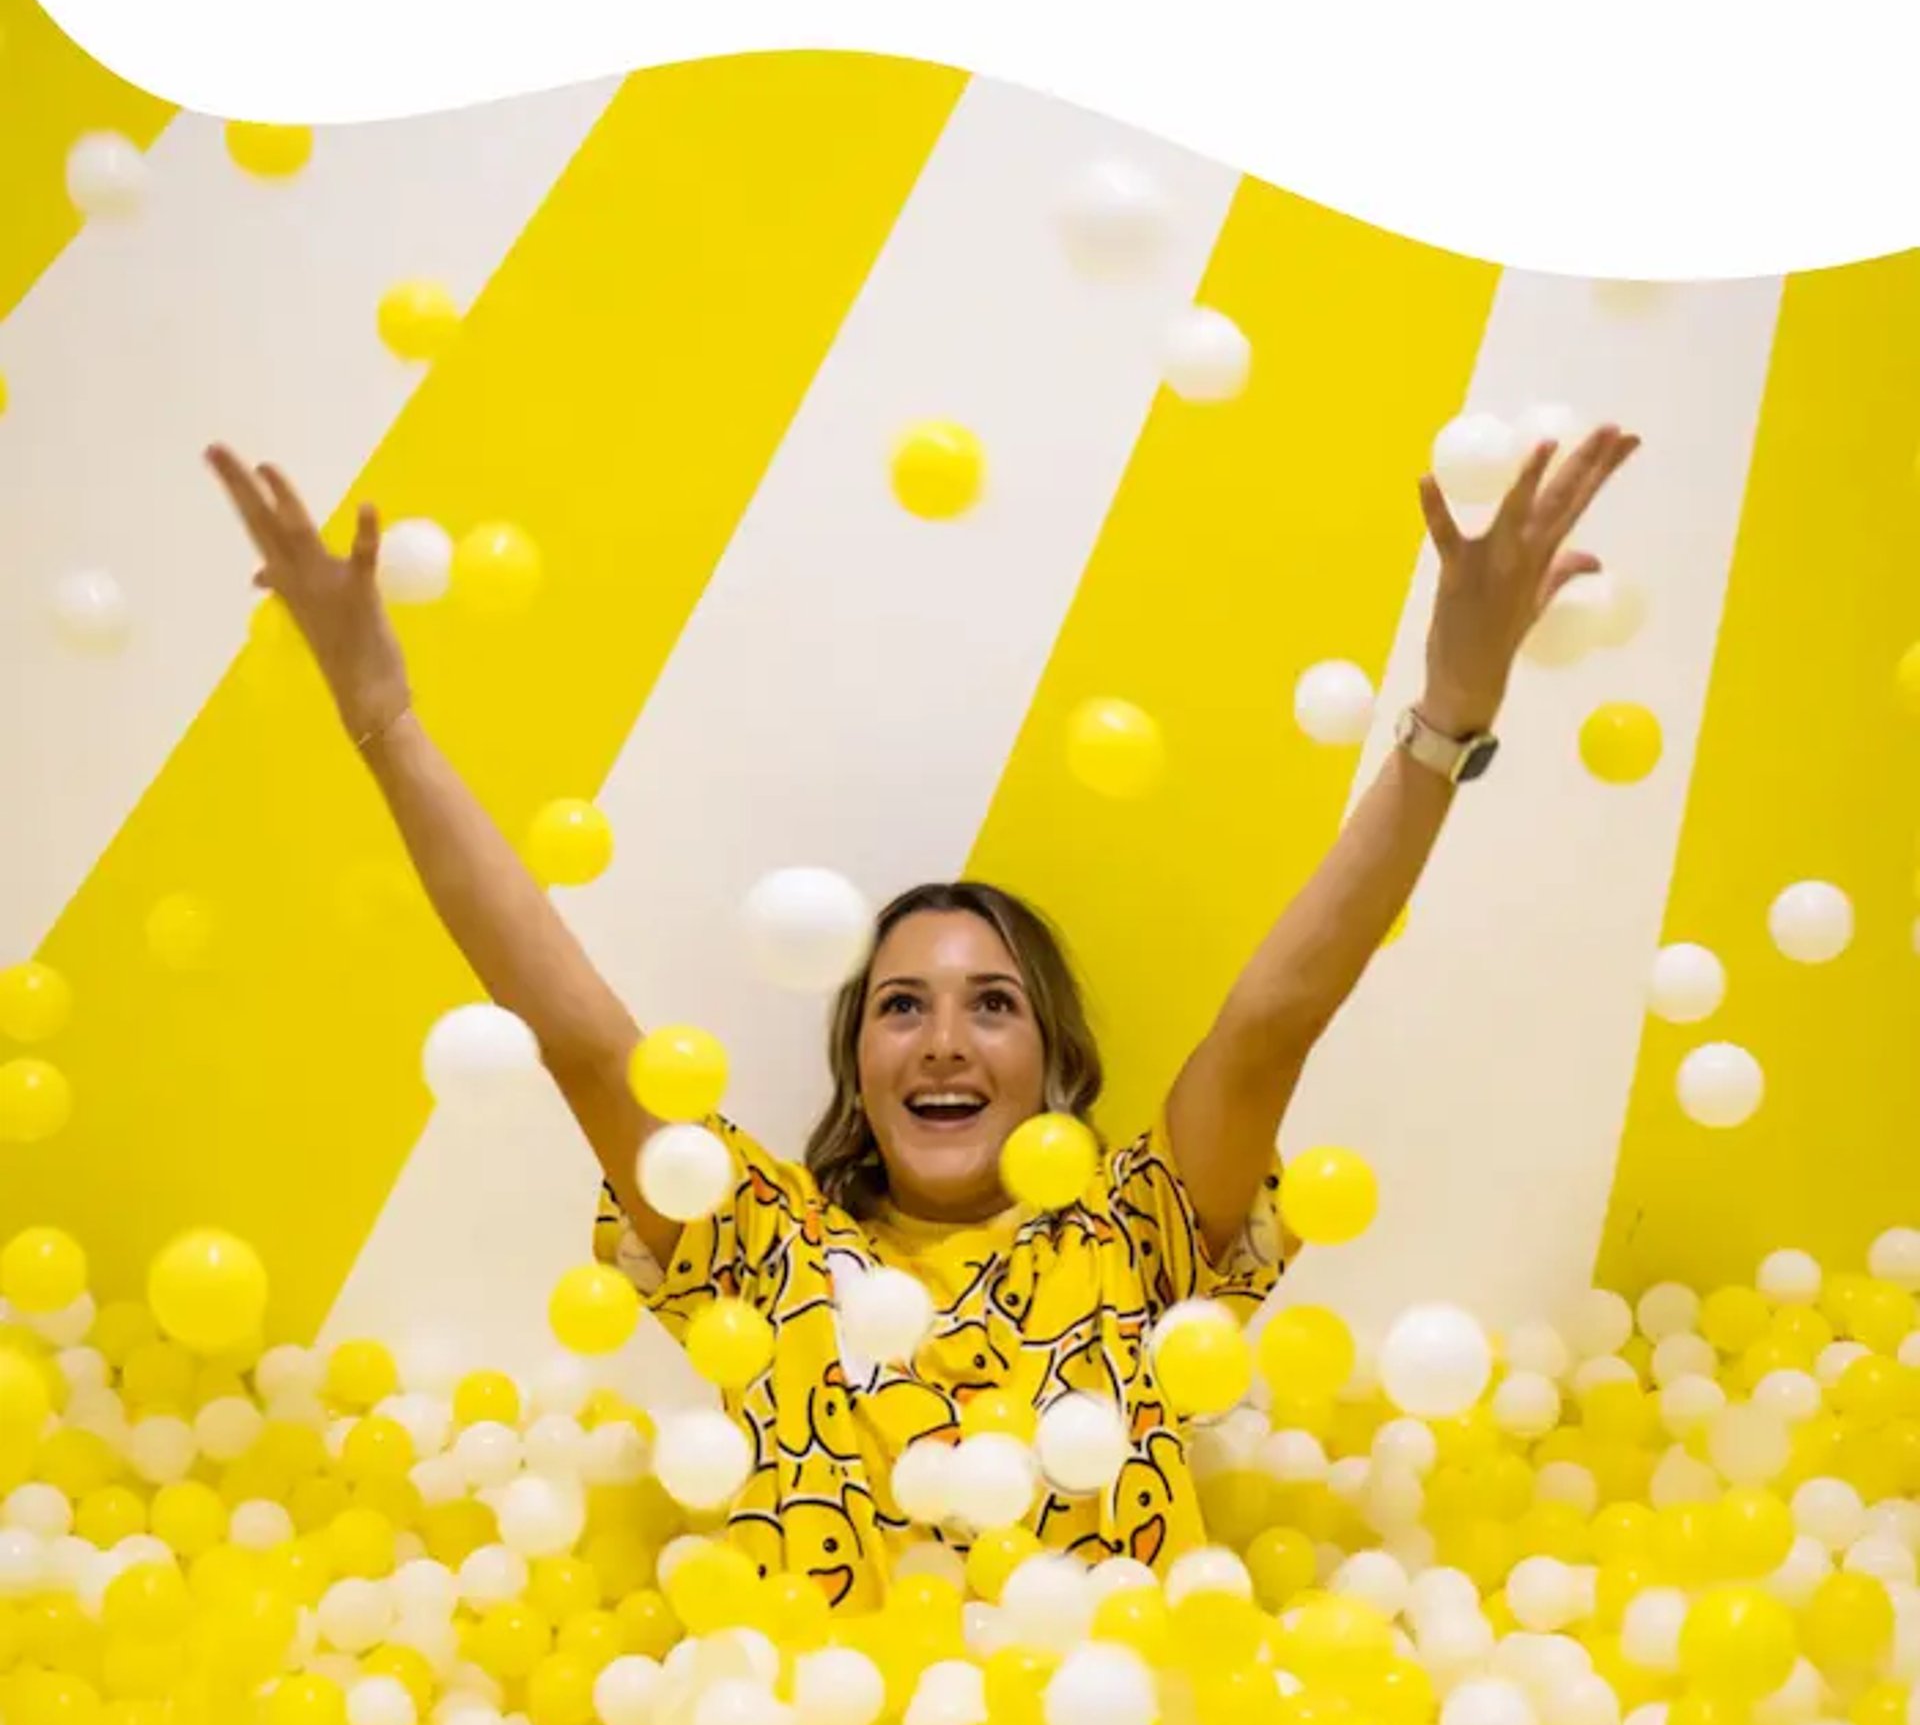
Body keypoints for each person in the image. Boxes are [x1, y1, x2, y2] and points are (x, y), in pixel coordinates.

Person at [206, 424, 1639, 1608]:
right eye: (902, 1005)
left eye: (991, 1004)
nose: (945, 1037)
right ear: (858, 1063)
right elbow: (571, 1028)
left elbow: (1275, 1018)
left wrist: (1446, 721)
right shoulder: (763, 1248)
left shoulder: (1134, 1238)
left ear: (1054, 1062)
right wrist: (384, 720)